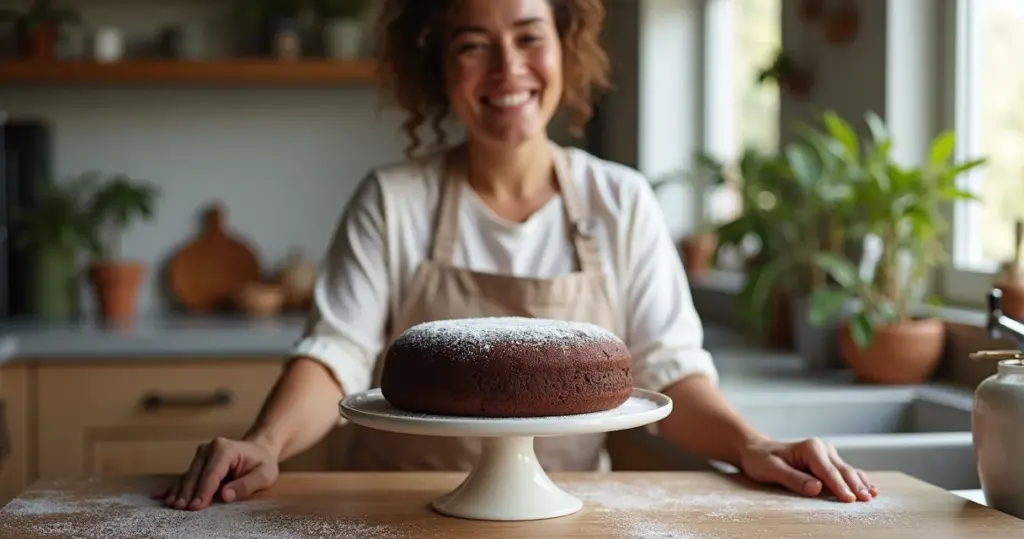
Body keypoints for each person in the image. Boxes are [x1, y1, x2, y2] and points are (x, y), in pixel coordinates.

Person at [157, 0, 879, 511]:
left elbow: (670, 373)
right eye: (473, 43)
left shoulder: (618, 200)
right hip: (398, 514)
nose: (507, 68)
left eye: (530, 36)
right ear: (439, 66)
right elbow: (337, 351)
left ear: (566, 47)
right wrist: (266, 440)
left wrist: (753, 444)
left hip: (568, 514)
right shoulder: (393, 199)